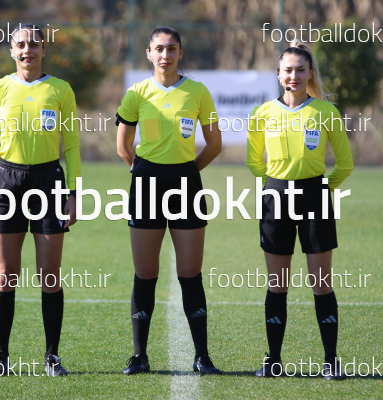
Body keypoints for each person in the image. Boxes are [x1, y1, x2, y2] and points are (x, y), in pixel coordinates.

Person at [0, 23, 81, 377]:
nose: (27, 50)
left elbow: (72, 145)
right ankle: (1, 358)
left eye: (34, 44)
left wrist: (74, 193)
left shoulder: (60, 89)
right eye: (20, 44)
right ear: (11, 50)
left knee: (49, 274)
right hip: (8, 182)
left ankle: (52, 357)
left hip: (49, 182)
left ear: (44, 49)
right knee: (6, 273)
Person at [116, 26, 223, 375]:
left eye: (171, 49)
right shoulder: (136, 93)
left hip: (186, 185)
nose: (165, 55)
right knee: (145, 273)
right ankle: (139, 356)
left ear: (180, 53)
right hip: (146, 184)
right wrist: (143, 173)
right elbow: (123, 146)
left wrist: (187, 173)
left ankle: (202, 356)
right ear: (149, 53)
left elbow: (215, 144)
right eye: (159, 49)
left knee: (190, 273)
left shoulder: (198, 92)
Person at [246, 40, 353, 380]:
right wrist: (273, 187)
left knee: (321, 283)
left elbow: (345, 164)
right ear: (279, 75)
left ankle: (331, 361)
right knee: (277, 284)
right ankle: (274, 361)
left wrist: (321, 190)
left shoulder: (325, 112)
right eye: (288, 70)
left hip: (315, 198)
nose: (293, 76)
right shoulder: (263, 113)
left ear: (310, 74)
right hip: (276, 197)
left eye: (300, 70)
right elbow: (253, 160)